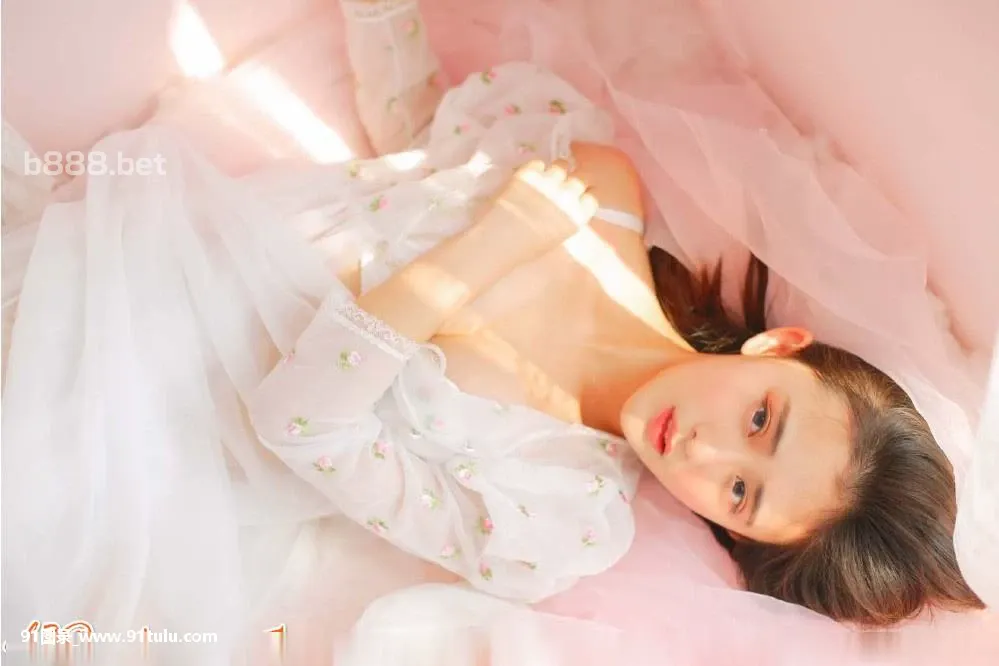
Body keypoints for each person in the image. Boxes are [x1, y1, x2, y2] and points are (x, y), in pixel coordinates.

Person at [1, 2, 985, 662]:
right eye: (763, 420)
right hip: (145, 248)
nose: (706, 450)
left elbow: (296, 421)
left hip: (140, 425)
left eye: (739, 493)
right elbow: (419, 145)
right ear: (779, 347)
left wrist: (483, 253)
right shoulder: (600, 188)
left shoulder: (558, 519)